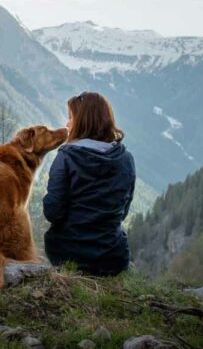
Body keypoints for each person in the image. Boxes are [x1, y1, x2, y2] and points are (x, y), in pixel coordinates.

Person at [42, 91, 135, 275]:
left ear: (84, 120)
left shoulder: (66, 157)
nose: (67, 123)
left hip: (68, 255)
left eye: (70, 117)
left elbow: (52, 212)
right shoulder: (126, 159)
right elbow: (122, 212)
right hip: (112, 258)